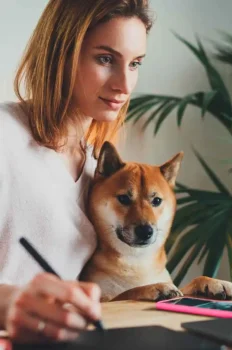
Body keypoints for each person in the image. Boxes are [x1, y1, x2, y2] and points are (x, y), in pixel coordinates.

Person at [0, 0, 152, 342]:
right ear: (60, 53)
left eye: (135, 63)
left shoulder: (95, 169)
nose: (124, 85)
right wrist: (9, 302)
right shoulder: (4, 133)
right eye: (105, 59)